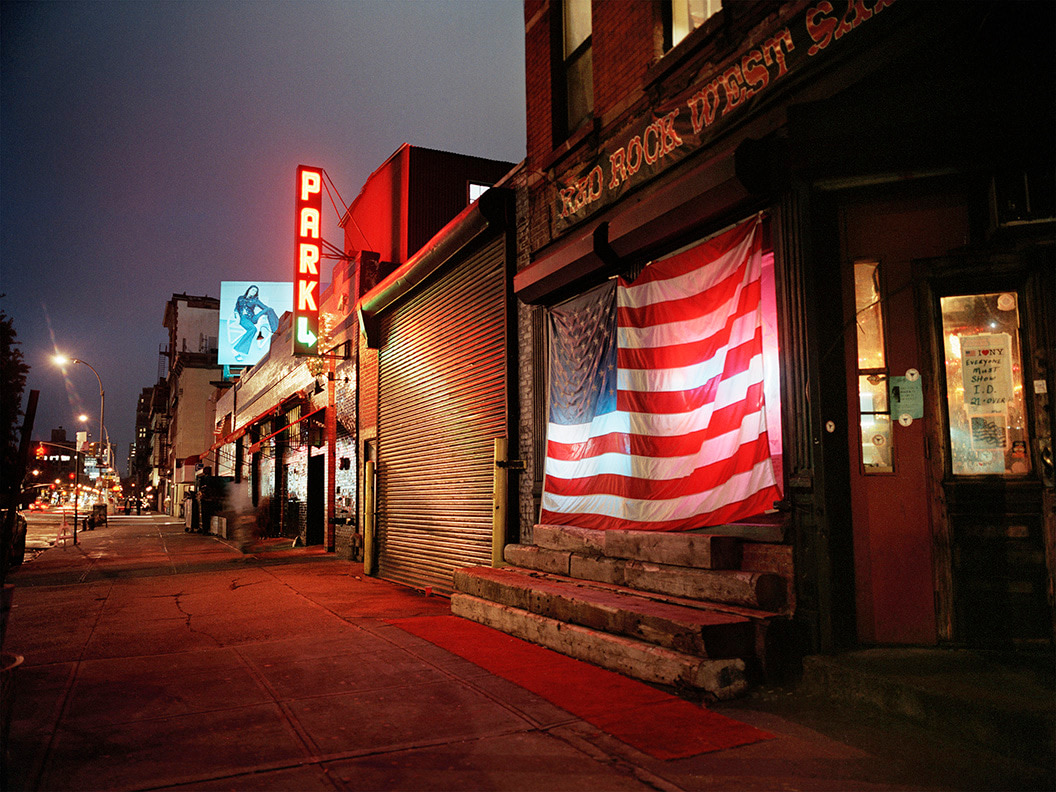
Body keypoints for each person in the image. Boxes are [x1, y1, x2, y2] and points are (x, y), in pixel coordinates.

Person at [232, 285, 279, 361]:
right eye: (252, 290)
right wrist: (237, 316)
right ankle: (236, 350)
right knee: (253, 329)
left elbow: (264, 307)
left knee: (269, 309)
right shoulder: (240, 298)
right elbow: (236, 308)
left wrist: (267, 312)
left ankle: (276, 330)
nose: (253, 292)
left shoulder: (255, 300)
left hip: (253, 318)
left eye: (255, 291)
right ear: (249, 289)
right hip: (243, 318)